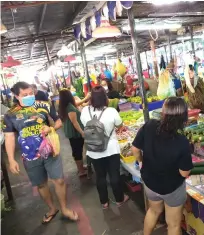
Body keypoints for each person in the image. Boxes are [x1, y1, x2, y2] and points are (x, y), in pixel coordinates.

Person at [3, 82, 78, 223]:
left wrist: (51, 129)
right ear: (16, 95)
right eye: (25, 95)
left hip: (50, 150)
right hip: (30, 156)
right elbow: (9, 137)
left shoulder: (44, 105)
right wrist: (11, 159)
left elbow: (59, 121)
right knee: (41, 184)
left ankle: (64, 209)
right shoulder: (10, 114)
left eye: (31, 93)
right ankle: (52, 208)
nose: (29, 96)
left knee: (59, 180)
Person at [132, 97, 193, 235]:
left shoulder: (150, 125)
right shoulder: (181, 142)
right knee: (173, 225)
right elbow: (184, 173)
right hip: (172, 188)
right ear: (183, 118)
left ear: (164, 112)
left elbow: (135, 149)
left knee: (153, 211)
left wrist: (142, 161)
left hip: (150, 183)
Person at [80, 86, 129, 209]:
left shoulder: (85, 111)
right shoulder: (111, 111)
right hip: (111, 149)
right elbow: (120, 126)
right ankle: (119, 199)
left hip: (93, 150)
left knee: (100, 176)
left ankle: (104, 202)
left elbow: (84, 124)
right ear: (105, 98)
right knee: (114, 175)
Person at [58, 89, 87, 177]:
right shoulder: (70, 107)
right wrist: (82, 132)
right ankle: (81, 171)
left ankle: (81, 167)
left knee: (77, 150)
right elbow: (75, 122)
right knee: (77, 151)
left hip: (72, 132)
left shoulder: (64, 106)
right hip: (75, 133)